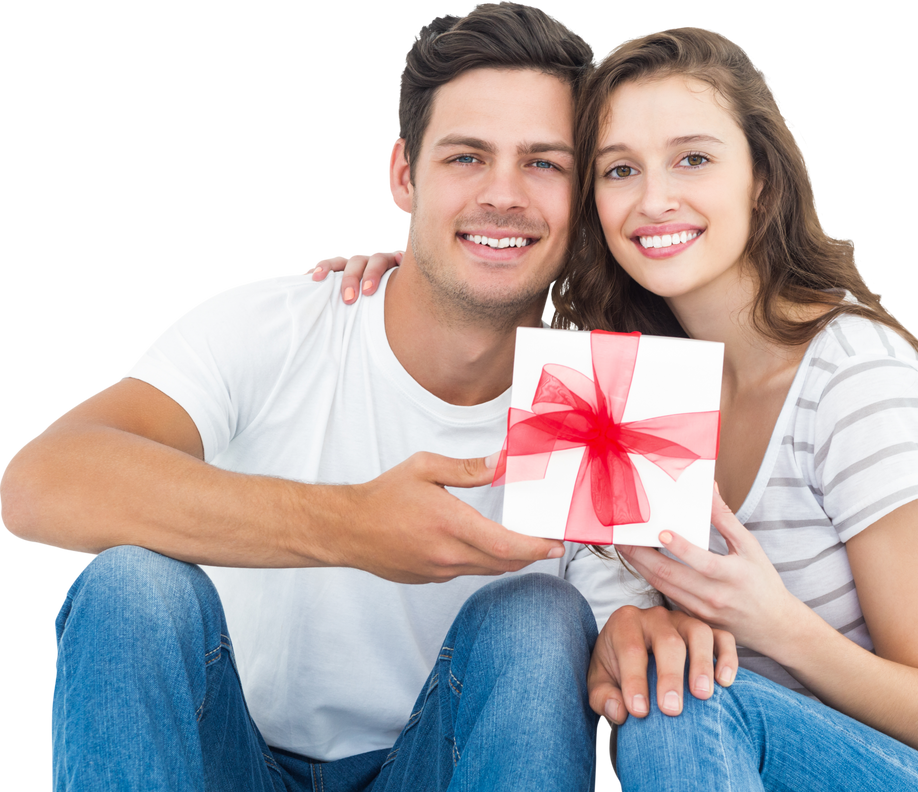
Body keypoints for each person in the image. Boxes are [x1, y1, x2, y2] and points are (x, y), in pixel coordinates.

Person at [308, 25, 918, 792]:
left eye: (693, 159)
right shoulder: (625, 382)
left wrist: (774, 625)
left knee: (687, 704)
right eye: (619, 170)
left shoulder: (857, 381)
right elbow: (595, 591)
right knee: (663, 687)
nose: (654, 199)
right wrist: (405, 272)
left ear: (762, 180)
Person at [3, 5, 744, 790]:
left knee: (540, 618)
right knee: (132, 586)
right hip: (230, 759)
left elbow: (611, 620)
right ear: (403, 175)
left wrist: (645, 631)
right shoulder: (279, 323)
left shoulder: (608, 396)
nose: (503, 194)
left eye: (544, 163)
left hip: (440, 764)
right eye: (465, 157)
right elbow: (39, 482)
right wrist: (350, 525)